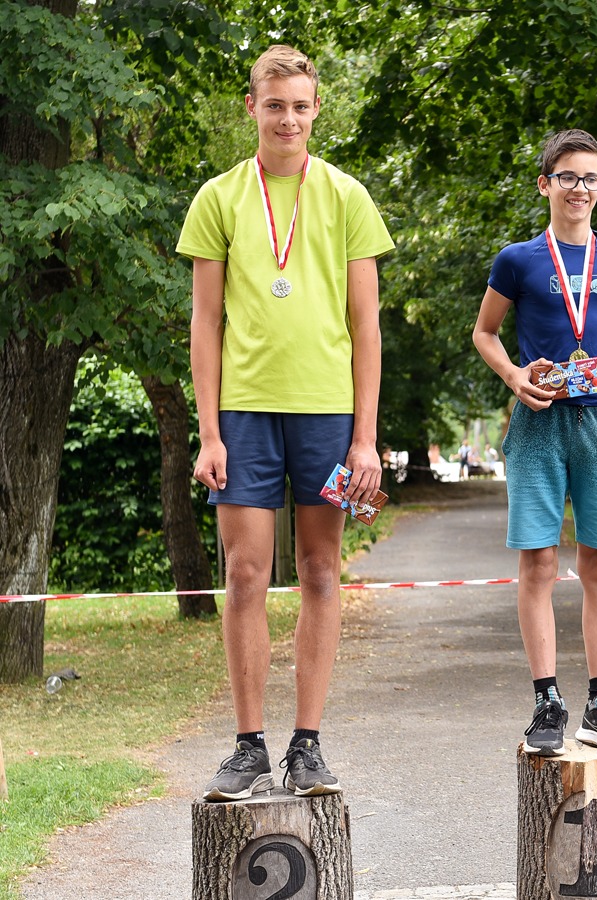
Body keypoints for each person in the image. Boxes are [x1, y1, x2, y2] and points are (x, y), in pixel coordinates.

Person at [178, 44, 394, 801]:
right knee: (244, 574)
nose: (288, 119)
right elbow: (205, 323)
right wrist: (209, 432)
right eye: (275, 106)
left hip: (328, 412)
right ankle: (247, 747)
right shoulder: (218, 198)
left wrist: (365, 438)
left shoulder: (347, 196)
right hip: (243, 412)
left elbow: (366, 326)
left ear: (316, 109)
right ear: (253, 108)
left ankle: (307, 746)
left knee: (320, 571)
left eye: (301, 106)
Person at [472, 129, 597, 757]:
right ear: (545, 184)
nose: (579, 188)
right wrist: (513, 376)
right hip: (540, 421)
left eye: (590, 178)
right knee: (538, 564)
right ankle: (546, 702)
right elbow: (485, 333)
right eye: (567, 177)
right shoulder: (518, 260)